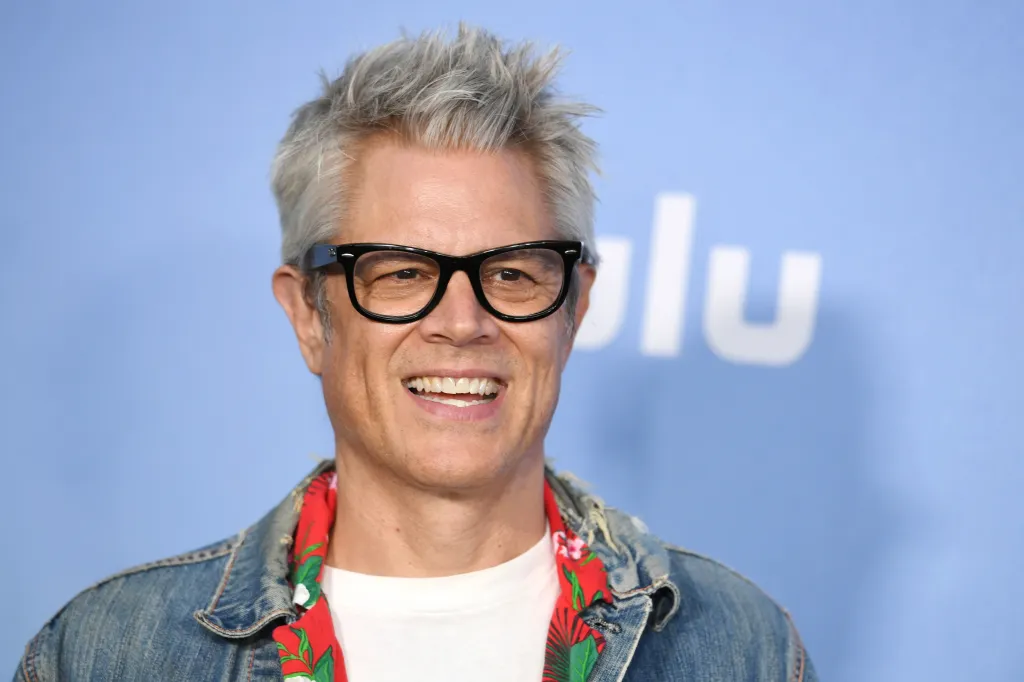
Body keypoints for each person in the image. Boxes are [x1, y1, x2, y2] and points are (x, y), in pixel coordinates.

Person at [14, 24, 817, 682]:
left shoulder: (740, 649)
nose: (462, 322)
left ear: (574, 309)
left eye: (511, 273)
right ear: (308, 314)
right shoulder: (108, 655)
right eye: (402, 274)